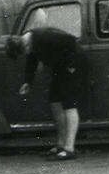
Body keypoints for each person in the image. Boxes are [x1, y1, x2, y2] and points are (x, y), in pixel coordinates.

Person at [6, 28, 88, 161]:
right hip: (61, 67)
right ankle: (61, 145)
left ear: (26, 45)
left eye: (24, 53)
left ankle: (69, 148)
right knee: (55, 102)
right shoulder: (28, 43)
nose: (26, 55)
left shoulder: (44, 36)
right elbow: (31, 60)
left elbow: (71, 40)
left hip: (73, 65)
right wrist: (28, 82)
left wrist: (71, 66)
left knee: (69, 104)